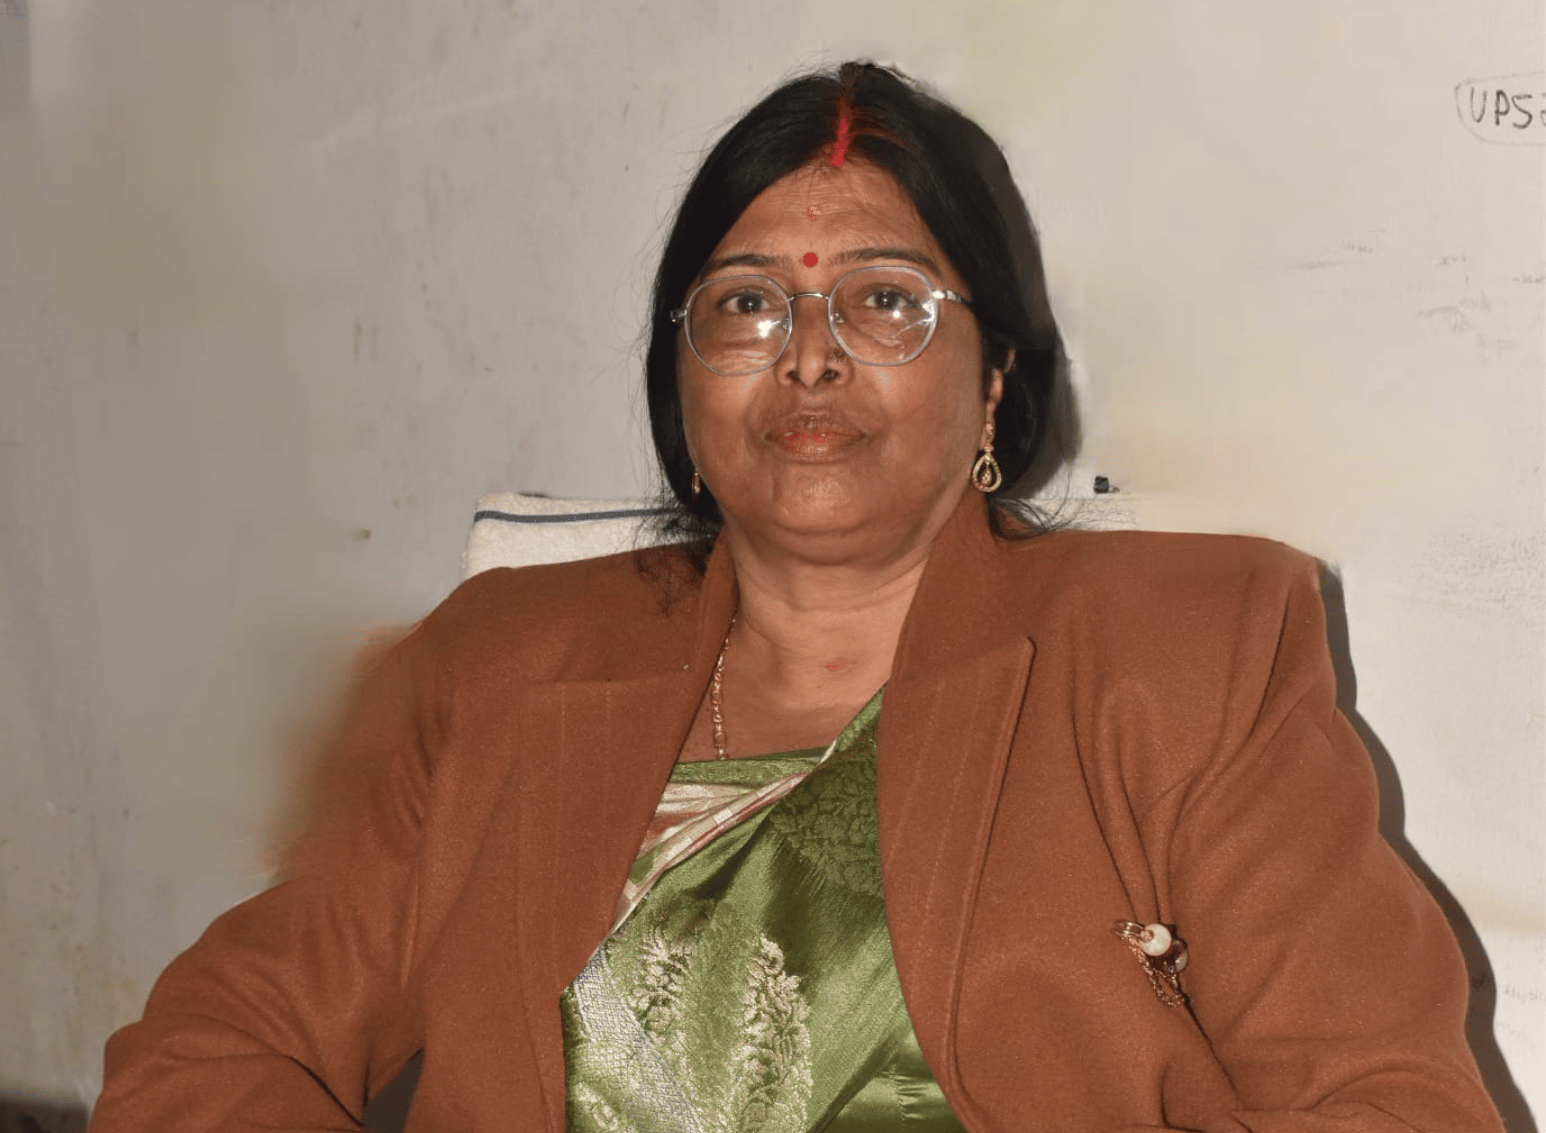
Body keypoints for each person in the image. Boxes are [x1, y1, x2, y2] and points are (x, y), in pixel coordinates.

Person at [92, 62, 1503, 1132]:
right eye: (745, 304)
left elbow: (1387, 1103)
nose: (809, 356)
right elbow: (213, 1047)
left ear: (995, 380)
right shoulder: (499, 667)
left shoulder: (1184, 656)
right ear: (681, 384)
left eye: (886, 301)